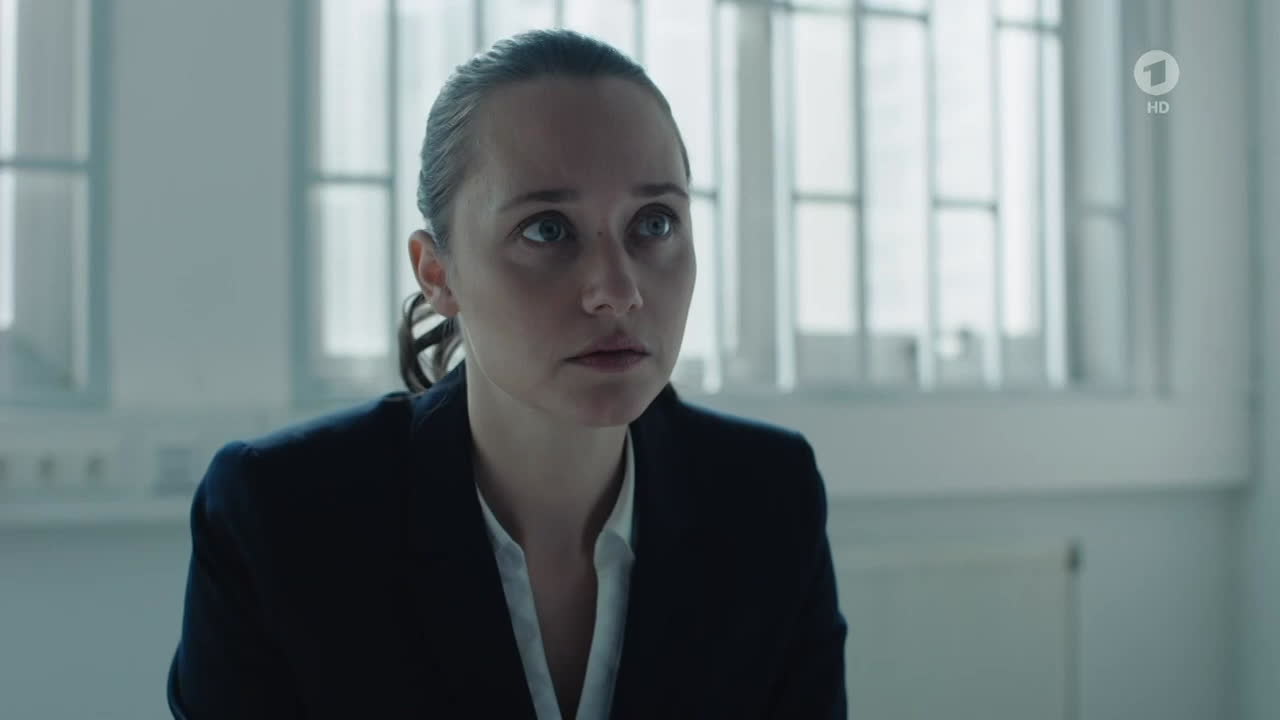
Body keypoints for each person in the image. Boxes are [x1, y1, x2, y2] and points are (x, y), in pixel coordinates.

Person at [166, 28, 847, 720]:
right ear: (438, 273)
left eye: (654, 223)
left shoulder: (768, 502)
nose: (617, 291)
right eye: (548, 229)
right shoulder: (282, 520)